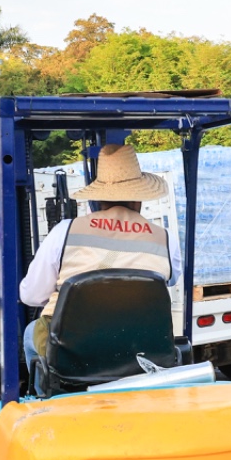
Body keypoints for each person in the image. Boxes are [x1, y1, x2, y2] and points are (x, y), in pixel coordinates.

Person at [19, 143, 183, 373]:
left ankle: (48, 391)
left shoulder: (65, 232)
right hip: (139, 349)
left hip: (74, 353)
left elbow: (31, 296)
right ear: (140, 198)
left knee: (30, 332)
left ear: (99, 198)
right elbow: (171, 280)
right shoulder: (165, 239)